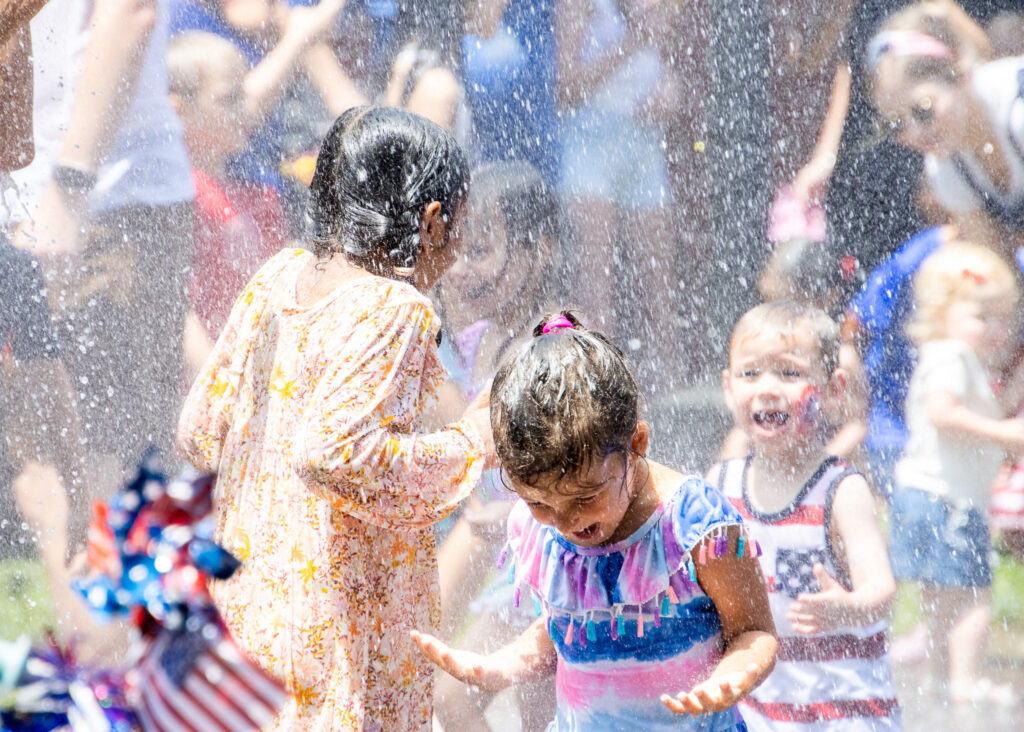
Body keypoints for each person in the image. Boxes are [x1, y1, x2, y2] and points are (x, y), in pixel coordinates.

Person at [177, 106, 494, 731]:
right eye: (459, 228)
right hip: (346, 639)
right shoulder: (395, 305)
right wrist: (472, 442)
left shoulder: (278, 277)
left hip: (246, 622)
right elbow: (334, 454)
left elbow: (199, 431)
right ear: (431, 222)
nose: (455, 257)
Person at [412, 311, 778, 731]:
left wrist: (729, 679)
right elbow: (564, 629)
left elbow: (754, 632)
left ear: (636, 443)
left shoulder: (697, 527)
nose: (565, 522)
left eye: (585, 497)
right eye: (539, 503)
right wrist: (502, 666)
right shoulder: (540, 531)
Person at [710, 300, 900, 729]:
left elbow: (883, 590)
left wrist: (847, 608)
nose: (767, 387)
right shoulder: (720, 486)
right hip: (760, 715)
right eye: (749, 373)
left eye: (790, 373)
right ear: (727, 388)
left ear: (833, 390)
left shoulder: (841, 490)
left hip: (845, 715)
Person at [430, 161, 562, 731]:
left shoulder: (552, 344)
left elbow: (582, 470)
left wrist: (513, 512)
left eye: (480, 250)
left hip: (550, 559)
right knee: (535, 714)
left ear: (541, 250)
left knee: (455, 697)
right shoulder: (471, 339)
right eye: (455, 249)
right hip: (498, 548)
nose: (460, 269)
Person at [889, 242, 1024, 705]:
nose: (995, 329)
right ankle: (965, 684)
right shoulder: (953, 357)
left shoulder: (947, 356)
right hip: (948, 501)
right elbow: (944, 415)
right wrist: (1005, 432)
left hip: (922, 495)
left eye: (1002, 318)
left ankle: (937, 679)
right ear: (943, 311)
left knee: (941, 596)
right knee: (973, 596)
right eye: (981, 317)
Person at [166, 31, 288, 372]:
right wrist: (221, 388)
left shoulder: (261, 197)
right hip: (207, 385)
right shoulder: (183, 198)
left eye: (244, 95)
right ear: (178, 110)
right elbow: (178, 308)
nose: (244, 110)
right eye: (227, 99)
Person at [870, 1, 1024, 250]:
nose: (915, 132)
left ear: (959, 73)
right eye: (896, 125)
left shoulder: (1018, 109)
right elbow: (998, 265)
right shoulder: (946, 168)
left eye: (923, 109)